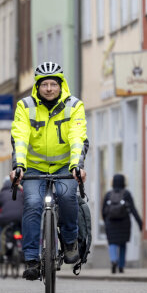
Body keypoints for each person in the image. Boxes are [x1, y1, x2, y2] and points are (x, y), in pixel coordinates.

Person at [10, 61, 89, 281]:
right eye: (44, 84)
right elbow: (20, 136)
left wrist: (76, 165)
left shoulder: (74, 105)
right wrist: (19, 166)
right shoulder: (25, 106)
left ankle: (70, 240)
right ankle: (32, 259)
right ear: (37, 86)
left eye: (53, 84)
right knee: (33, 203)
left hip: (65, 164)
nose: (49, 89)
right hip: (34, 166)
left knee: (65, 196)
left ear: (61, 84)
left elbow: (77, 136)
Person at [101, 174, 143, 274]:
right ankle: (121, 266)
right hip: (124, 222)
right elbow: (133, 209)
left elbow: (103, 211)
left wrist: (106, 221)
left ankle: (113, 260)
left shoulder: (108, 195)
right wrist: (140, 223)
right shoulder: (127, 194)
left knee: (112, 243)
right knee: (122, 244)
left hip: (110, 222)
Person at [0, 177, 24, 260]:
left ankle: (2, 252)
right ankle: (21, 246)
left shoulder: (2, 194)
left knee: (0, 232)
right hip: (19, 218)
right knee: (21, 231)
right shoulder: (20, 193)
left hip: (5, 219)